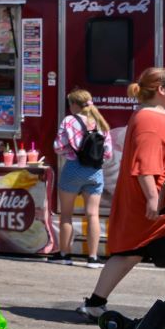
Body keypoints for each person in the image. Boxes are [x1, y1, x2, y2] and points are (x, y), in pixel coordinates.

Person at [81, 68, 165, 321]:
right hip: (163, 204)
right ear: (160, 89)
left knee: (131, 252)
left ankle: (95, 303)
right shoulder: (150, 120)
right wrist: (152, 198)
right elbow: (145, 163)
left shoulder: (156, 116)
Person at [53, 89, 111, 263]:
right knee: (93, 215)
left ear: (75, 105)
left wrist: (72, 152)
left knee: (66, 215)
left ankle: (65, 255)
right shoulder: (101, 122)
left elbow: (58, 146)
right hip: (95, 172)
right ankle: (93, 257)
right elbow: (107, 154)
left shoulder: (69, 121)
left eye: (70, 103)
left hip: (73, 170)